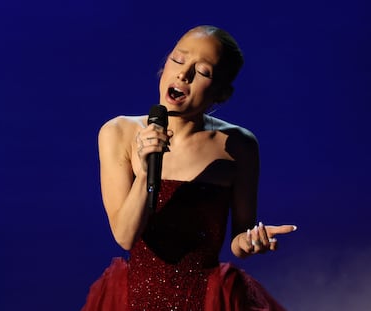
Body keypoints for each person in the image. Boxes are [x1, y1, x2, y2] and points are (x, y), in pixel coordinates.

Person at [81, 25, 297, 311]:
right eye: (178, 60)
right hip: (133, 299)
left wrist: (249, 241)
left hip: (206, 300)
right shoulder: (118, 132)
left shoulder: (239, 145)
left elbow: (238, 239)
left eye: (203, 71)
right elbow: (124, 236)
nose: (184, 74)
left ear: (221, 93)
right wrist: (146, 171)